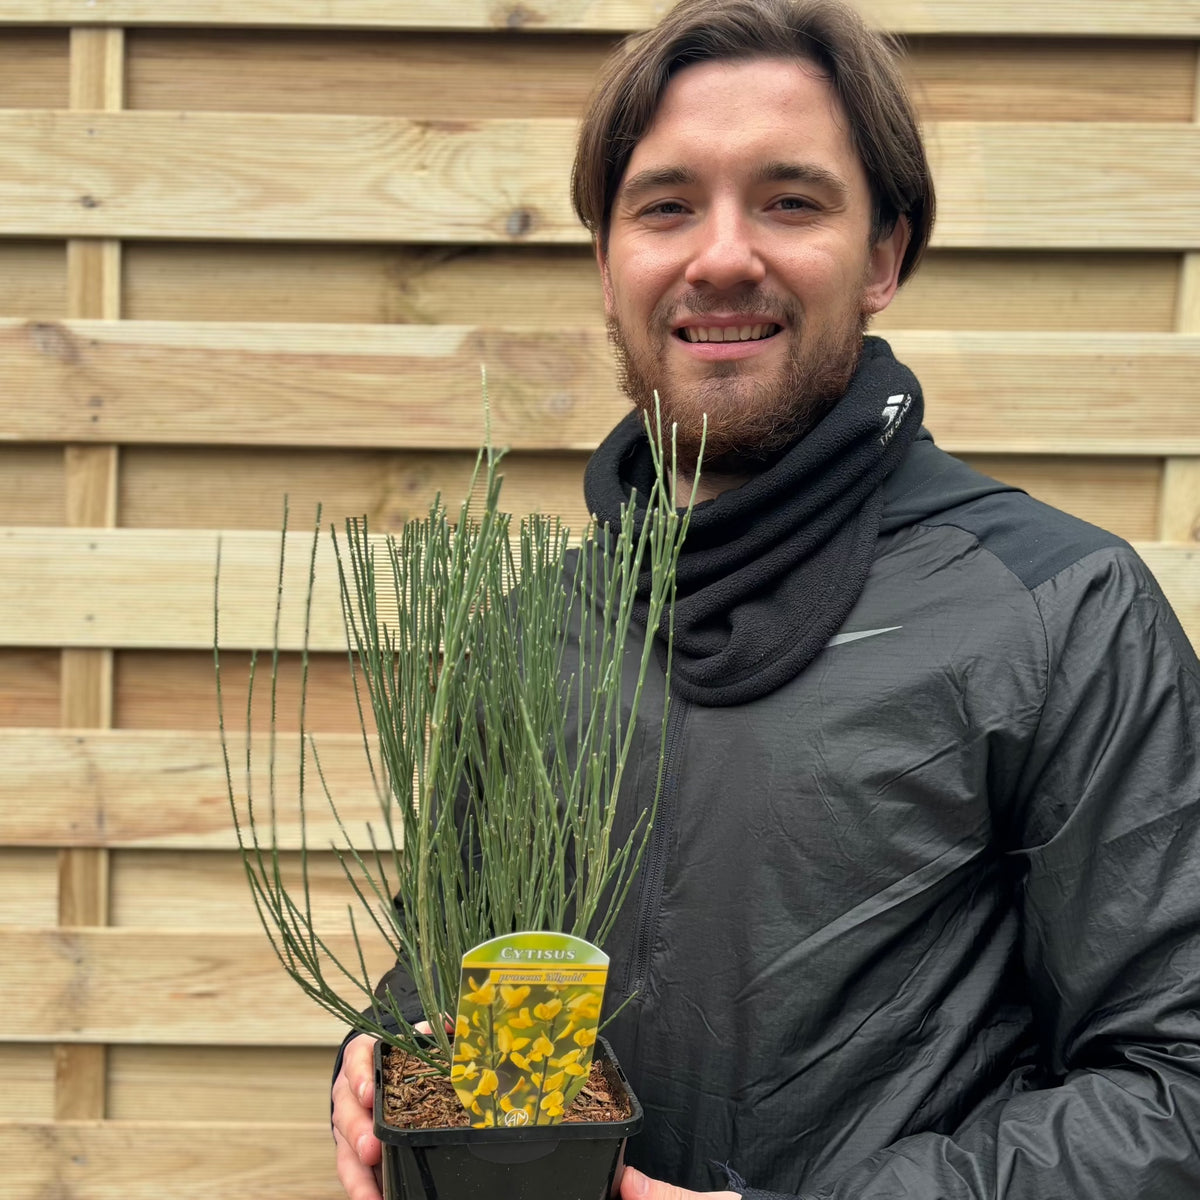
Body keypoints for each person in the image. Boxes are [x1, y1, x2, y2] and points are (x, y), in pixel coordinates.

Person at [331, 1, 1200, 1196]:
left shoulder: (1058, 613)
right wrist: (386, 1055)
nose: (722, 254)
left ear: (885, 256)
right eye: (667, 205)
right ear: (606, 259)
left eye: (790, 202)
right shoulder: (532, 628)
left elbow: (1176, 1086)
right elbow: (465, 976)